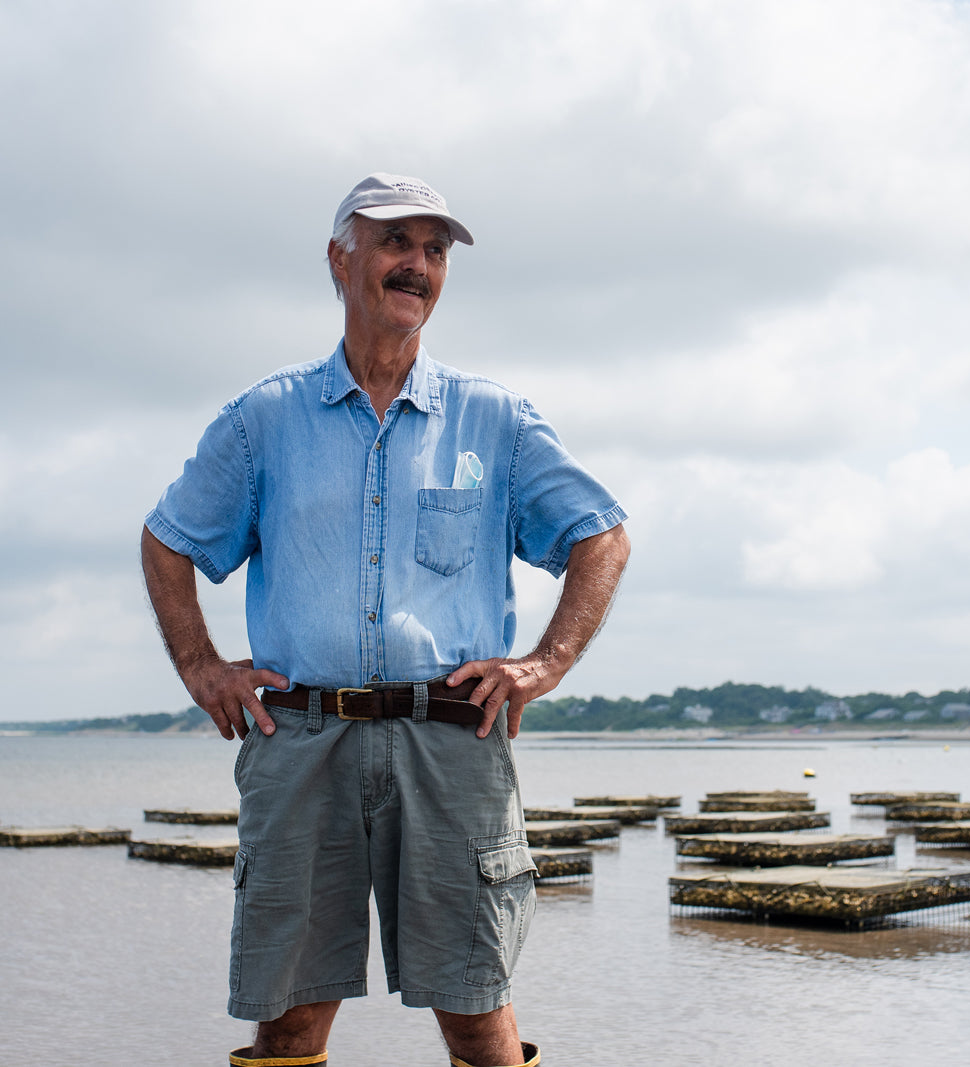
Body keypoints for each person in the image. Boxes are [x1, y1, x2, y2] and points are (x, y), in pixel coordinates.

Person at [141, 172, 630, 1067]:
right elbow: (168, 539)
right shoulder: (264, 418)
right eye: (397, 242)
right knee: (288, 1016)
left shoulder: (496, 420)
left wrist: (546, 662)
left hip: (450, 741)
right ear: (341, 259)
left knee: (478, 1011)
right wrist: (200, 665)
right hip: (300, 740)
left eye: (435, 249)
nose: (418, 264)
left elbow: (601, 535)